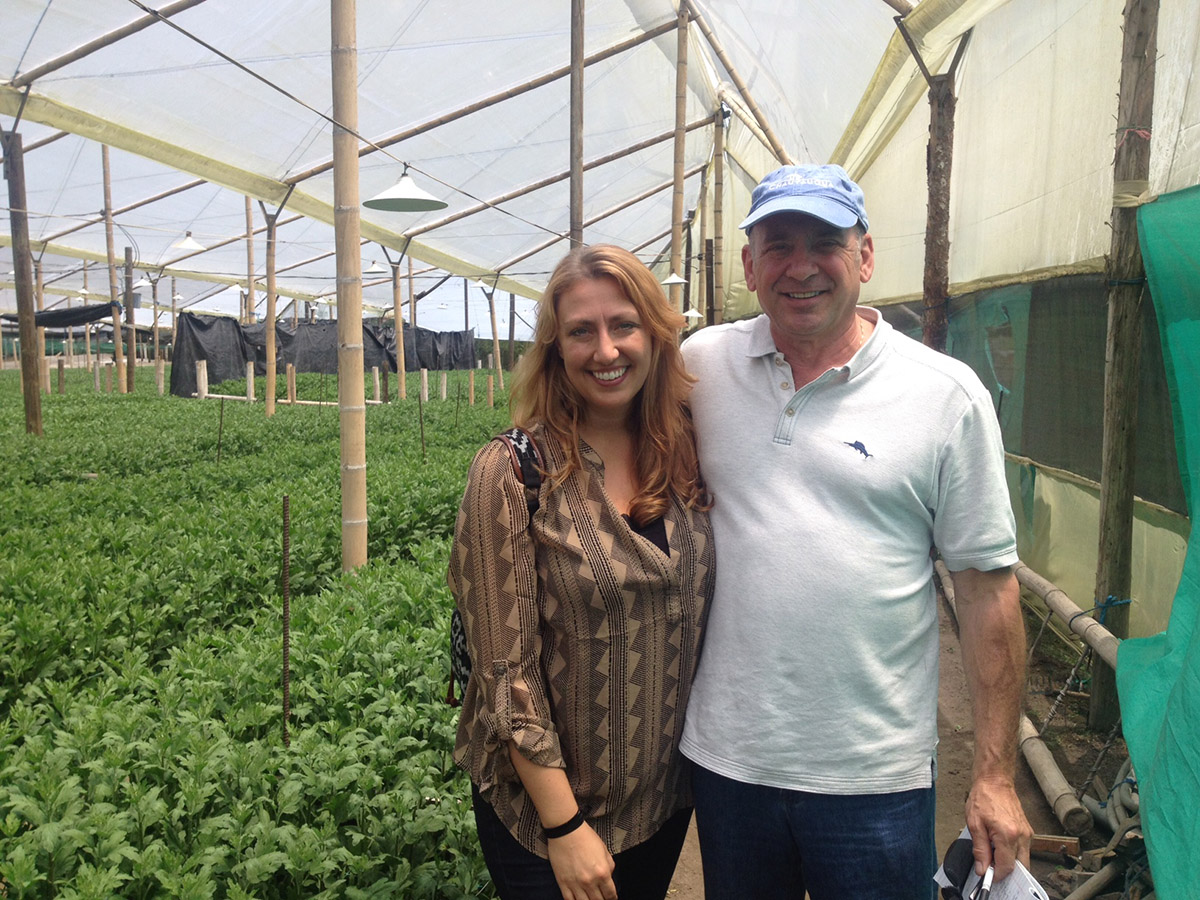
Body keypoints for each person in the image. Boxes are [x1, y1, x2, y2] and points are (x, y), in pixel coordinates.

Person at [678, 164, 1033, 899]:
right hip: (729, 763)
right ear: (749, 265)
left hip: (874, 776)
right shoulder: (700, 367)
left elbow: (986, 590)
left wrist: (995, 774)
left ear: (865, 256)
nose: (800, 266)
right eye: (777, 245)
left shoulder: (945, 394)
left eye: (825, 242)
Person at [449, 244, 715, 900]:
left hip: (660, 802)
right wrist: (564, 825)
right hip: (547, 820)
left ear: (655, 334)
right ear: (554, 349)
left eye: (623, 325)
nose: (605, 350)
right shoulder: (513, 472)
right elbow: (506, 674)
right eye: (580, 331)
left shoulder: (685, 449)